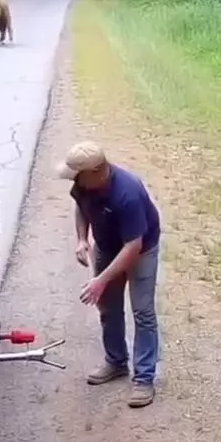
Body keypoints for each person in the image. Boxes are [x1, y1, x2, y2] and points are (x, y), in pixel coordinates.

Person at [57, 141, 161, 408]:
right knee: (108, 308)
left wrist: (100, 280)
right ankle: (116, 362)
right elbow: (80, 205)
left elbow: (133, 246)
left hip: (140, 249)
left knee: (143, 312)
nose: (74, 181)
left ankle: (144, 378)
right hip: (107, 245)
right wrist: (82, 239)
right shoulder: (84, 184)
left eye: (77, 175)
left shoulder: (128, 193)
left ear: (94, 172)